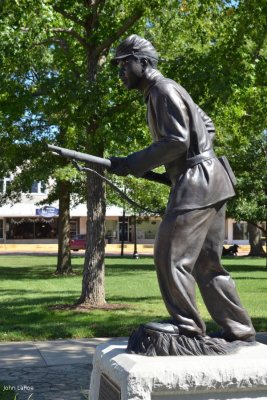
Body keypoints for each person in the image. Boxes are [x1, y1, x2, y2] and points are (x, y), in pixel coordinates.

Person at [109, 34, 255, 342]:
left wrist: (133, 163)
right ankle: (239, 329)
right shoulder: (165, 90)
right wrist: (192, 157)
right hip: (210, 180)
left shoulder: (162, 89)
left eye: (123, 64)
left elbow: (176, 141)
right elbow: (207, 125)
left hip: (198, 184)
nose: (120, 72)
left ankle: (187, 326)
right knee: (207, 264)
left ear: (142, 62)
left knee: (169, 256)